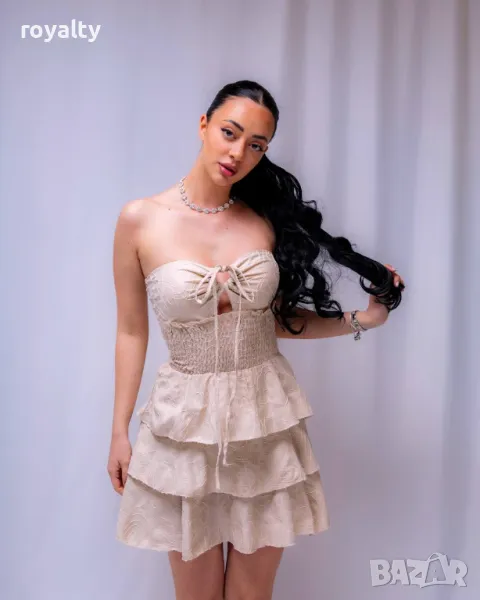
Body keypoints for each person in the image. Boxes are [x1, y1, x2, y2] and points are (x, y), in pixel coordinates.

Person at [108, 79, 405, 600]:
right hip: (184, 425)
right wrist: (119, 430)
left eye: (256, 145)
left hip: (263, 417)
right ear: (204, 125)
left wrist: (365, 318)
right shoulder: (140, 220)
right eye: (230, 132)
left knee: (251, 594)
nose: (237, 153)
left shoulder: (262, 223)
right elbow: (132, 330)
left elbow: (277, 321)